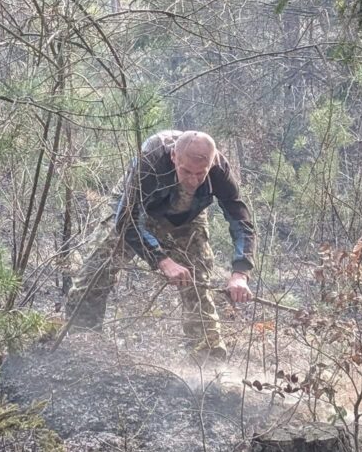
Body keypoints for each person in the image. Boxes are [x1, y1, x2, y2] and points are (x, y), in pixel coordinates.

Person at [65, 130, 255, 359]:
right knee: (95, 273)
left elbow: (240, 219)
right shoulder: (151, 158)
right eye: (186, 171)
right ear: (174, 156)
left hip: (186, 219)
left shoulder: (218, 169)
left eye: (200, 174)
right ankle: (81, 348)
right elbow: (127, 219)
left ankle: (208, 364)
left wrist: (240, 272)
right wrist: (162, 260)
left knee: (197, 284)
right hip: (133, 212)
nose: (193, 181)